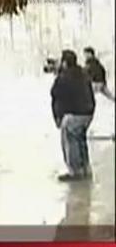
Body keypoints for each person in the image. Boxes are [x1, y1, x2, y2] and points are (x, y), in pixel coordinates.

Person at [51, 50, 96, 182]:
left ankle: (75, 172)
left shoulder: (63, 77)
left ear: (64, 63)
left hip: (74, 114)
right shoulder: (83, 73)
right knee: (80, 139)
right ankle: (86, 168)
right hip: (88, 113)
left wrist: (58, 118)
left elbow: (56, 96)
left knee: (69, 140)